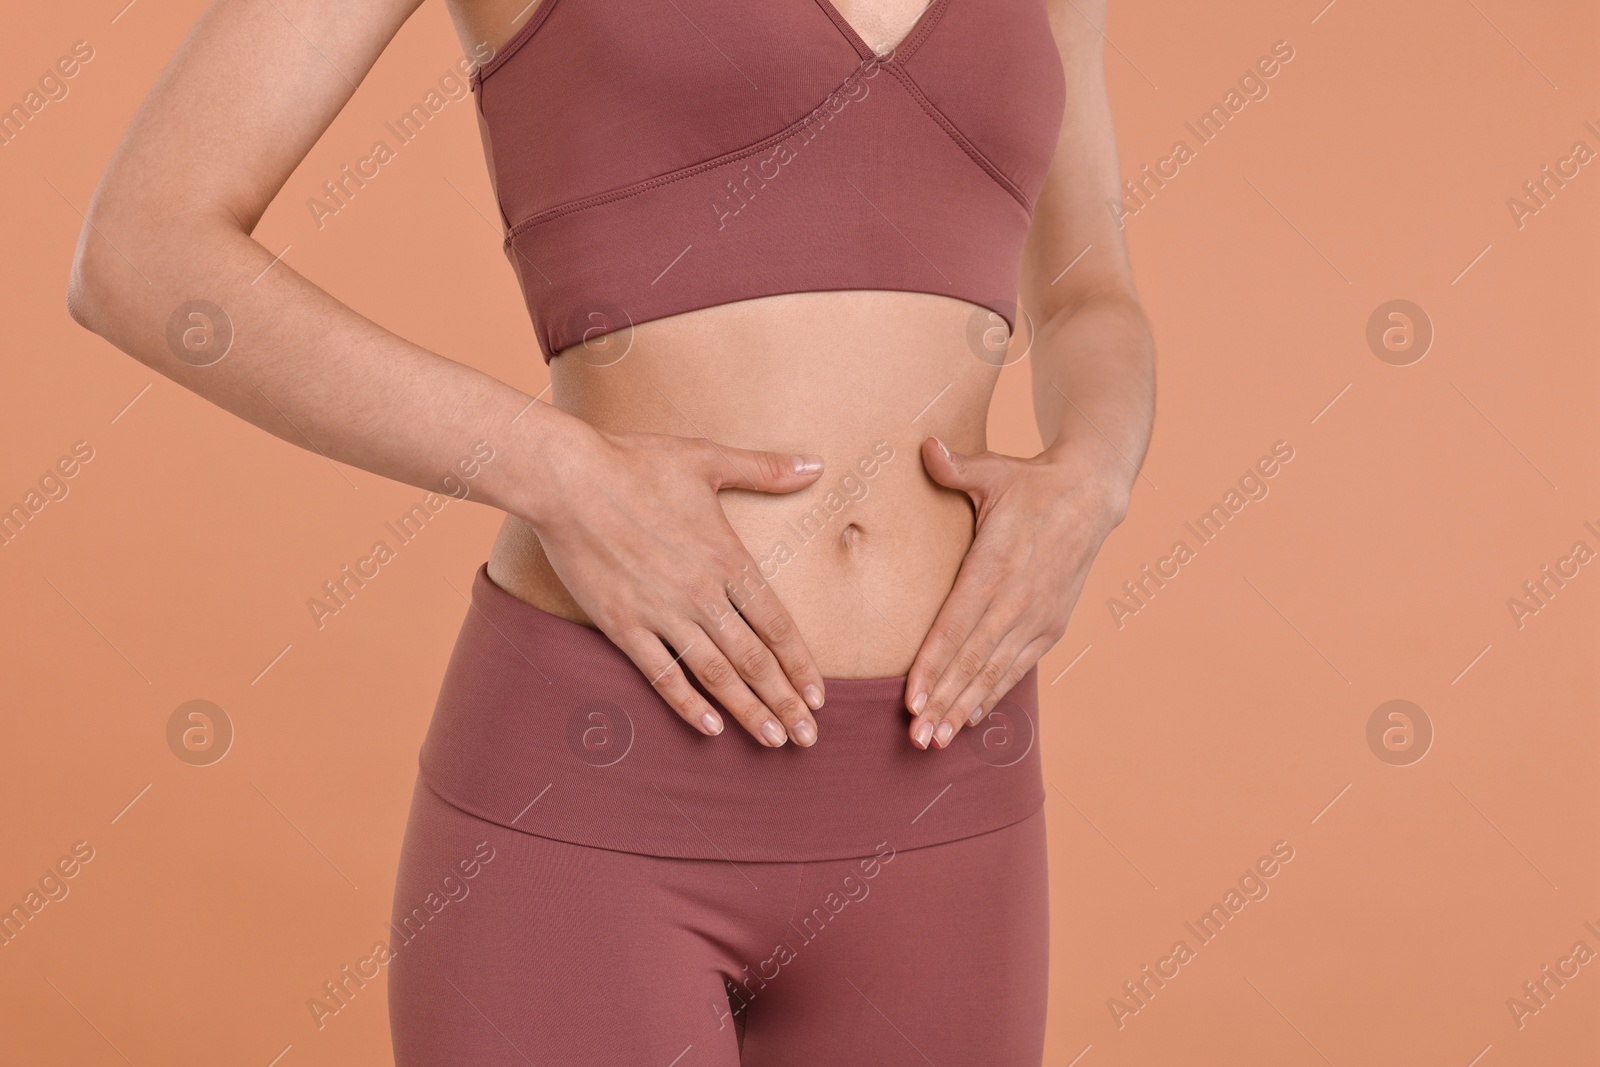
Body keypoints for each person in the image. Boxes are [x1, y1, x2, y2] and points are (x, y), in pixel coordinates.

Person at [66, 0, 1153, 1061]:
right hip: (596, 778)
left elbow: (1084, 293)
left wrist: (1094, 472)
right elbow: (141, 249)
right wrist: (556, 468)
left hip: (945, 789)